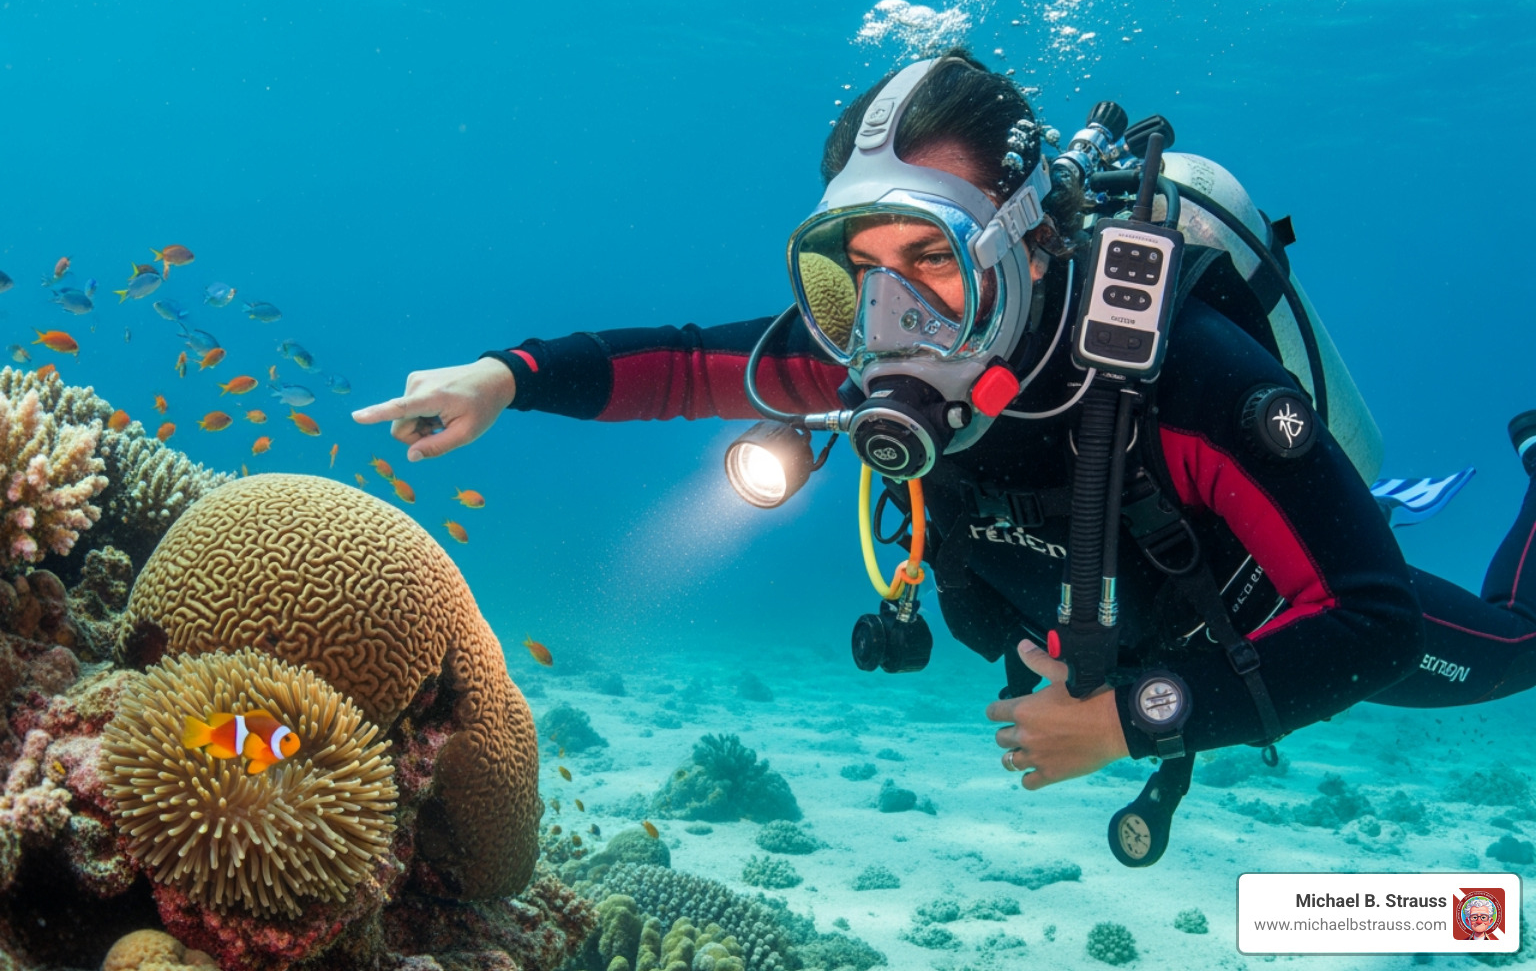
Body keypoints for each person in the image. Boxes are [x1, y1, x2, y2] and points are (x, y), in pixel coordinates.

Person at [354, 49, 1536, 802]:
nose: (888, 318)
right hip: (1103, 630)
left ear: (1026, 240)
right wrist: (503, 376)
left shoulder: (1180, 380)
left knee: (1519, 652)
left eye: (933, 260)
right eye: (850, 270)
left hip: (1254, 616)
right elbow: (674, 365)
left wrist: (1133, 720)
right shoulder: (861, 343)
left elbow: (1370, 620)